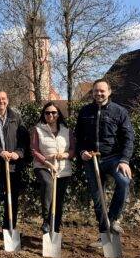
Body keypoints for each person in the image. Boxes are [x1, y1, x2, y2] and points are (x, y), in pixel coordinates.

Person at [74, 79, 134, 243]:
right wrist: (82, 151)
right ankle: (104, 237)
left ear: (109, 92)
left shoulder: (120, 112)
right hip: (91, 159)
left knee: (123, 181)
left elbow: (129, 138)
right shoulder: (85, 111)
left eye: (102, 91)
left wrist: (125, 160)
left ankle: (113, 220)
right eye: (95, 91)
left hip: (113, 158)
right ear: (92, 93)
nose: (98, 94)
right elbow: (78, 137)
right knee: (98, 198)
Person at [0, 90, 29, 242]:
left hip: (13, 166)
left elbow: (24, 140)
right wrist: (0, 152)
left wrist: (18, 153)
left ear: (7, 100)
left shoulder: (16, 117)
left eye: (3, 99)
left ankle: (9, 227)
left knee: (12, 199)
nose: (0, 101)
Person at [32, 101, 75, 235]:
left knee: (59, 201)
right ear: (44, 114)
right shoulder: (38, 129)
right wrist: (47, 162)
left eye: (53, 112)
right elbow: (34, 150)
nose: (50, 115)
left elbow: (73, 149)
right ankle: (46, 220)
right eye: (47, 113)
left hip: (63, 169)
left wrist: (66, 154)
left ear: (58, 114)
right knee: (48, 183)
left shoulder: (66, 130)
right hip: (42, 166)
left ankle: (55, 230)